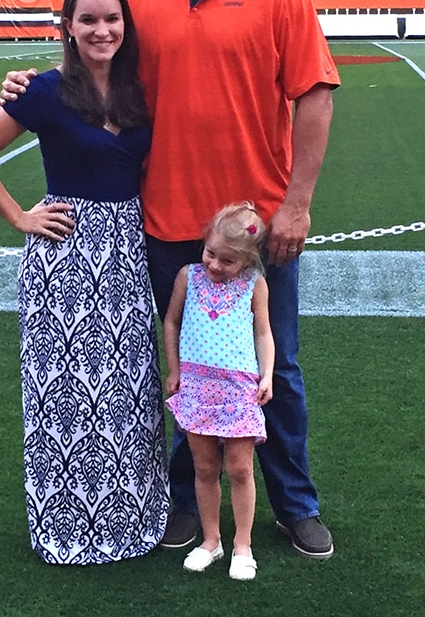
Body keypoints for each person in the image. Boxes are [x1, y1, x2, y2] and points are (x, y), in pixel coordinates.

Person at [0, 0, 341, 559]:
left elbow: (314, 93)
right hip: (163, 223)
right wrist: (30, 84)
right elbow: (93, 70)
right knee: (183, 366)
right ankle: (186, 499)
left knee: (273, 368)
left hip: (255, 227)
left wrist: (298, 205)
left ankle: (295, 500)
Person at [0, 0, 169, 565]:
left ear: (127, 25)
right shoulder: (43, 91)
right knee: (66, 397)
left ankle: (132, 516)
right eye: (89, 19)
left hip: (126, 257)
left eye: (112, 19)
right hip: (64, 261)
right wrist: (20, 216)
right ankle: (68, 524)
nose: (102, 30)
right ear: (68, 27)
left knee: (128, 394)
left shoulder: (138, 91)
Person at [164, 203, 275, 580]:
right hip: (195, 387)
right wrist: (175, 370)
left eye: (227, 261)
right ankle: (211, 540)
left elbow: (263, 332)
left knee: (240, 469)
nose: (214, 265)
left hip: (238, 390)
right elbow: (172, 322)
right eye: (210, 253)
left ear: (247, 261)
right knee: (205, 467)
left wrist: (268, 375)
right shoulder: (188, 276)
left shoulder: (254, 285)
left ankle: (242, 545)